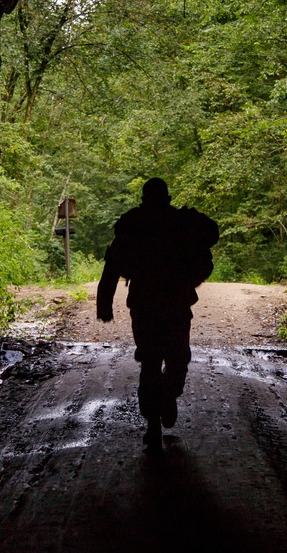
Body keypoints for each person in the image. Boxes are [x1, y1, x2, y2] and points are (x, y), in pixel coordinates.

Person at [96, 178, 219, 451]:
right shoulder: (180, 223)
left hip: (144, 305)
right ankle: (163, 403)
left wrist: (104, 304)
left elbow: (112, 265)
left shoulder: (134, 225)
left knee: (151, 362)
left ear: (144, 197)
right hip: (174, 304)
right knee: (177, 360)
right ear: (167, 196)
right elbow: (207, 242)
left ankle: (154, 416)